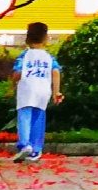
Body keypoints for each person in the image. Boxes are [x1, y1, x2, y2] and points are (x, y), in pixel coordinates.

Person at [11, 21, 62, 162]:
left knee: (24, 117)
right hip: (43, 91)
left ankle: (25, 145)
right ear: (46, 39)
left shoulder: (24, 56)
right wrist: (56, 92)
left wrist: (12, 85)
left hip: (27, 90)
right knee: (38, 120)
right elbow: (56, 72)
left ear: (27, 39)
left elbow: (17, 73)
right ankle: (36, 150)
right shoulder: (49, 57)